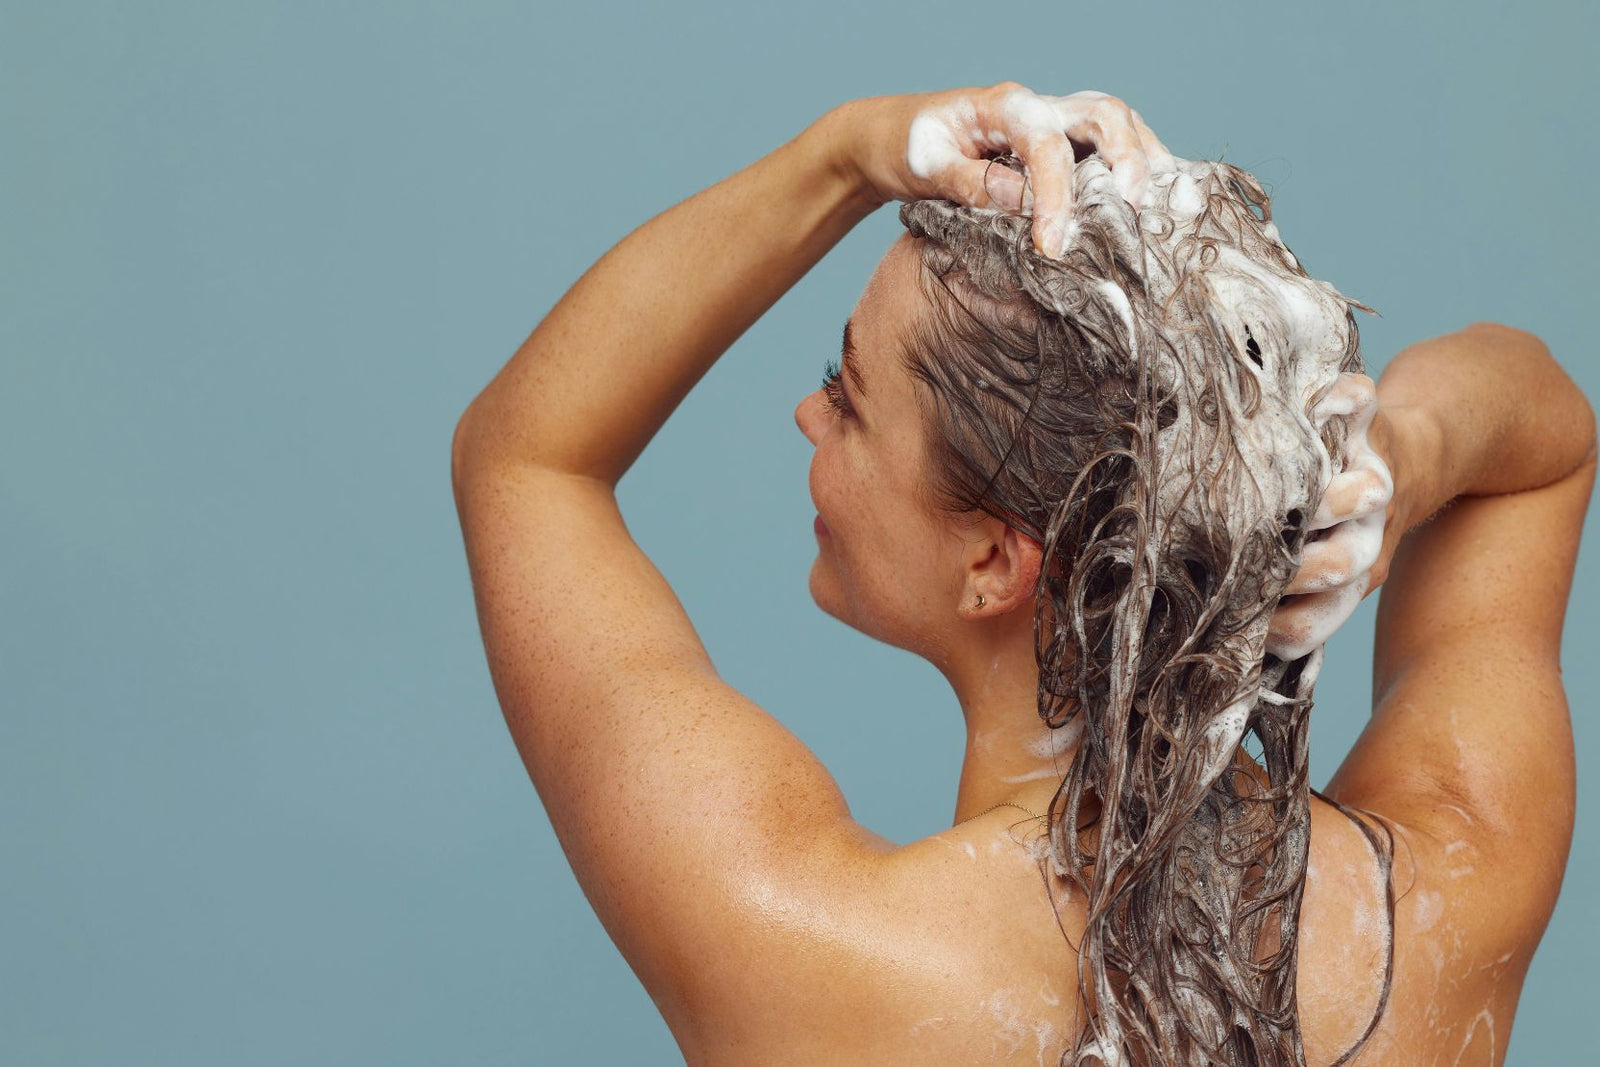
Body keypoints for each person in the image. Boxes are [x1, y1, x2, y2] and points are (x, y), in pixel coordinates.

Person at [451, 82, 1595, 1065]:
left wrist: (846, 151)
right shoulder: (1448, 888)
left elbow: (527, 459)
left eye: (845, 398)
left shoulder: (820, 956)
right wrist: (1390, 454)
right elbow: (1547, 441)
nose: (809, 414)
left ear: (995, 559)